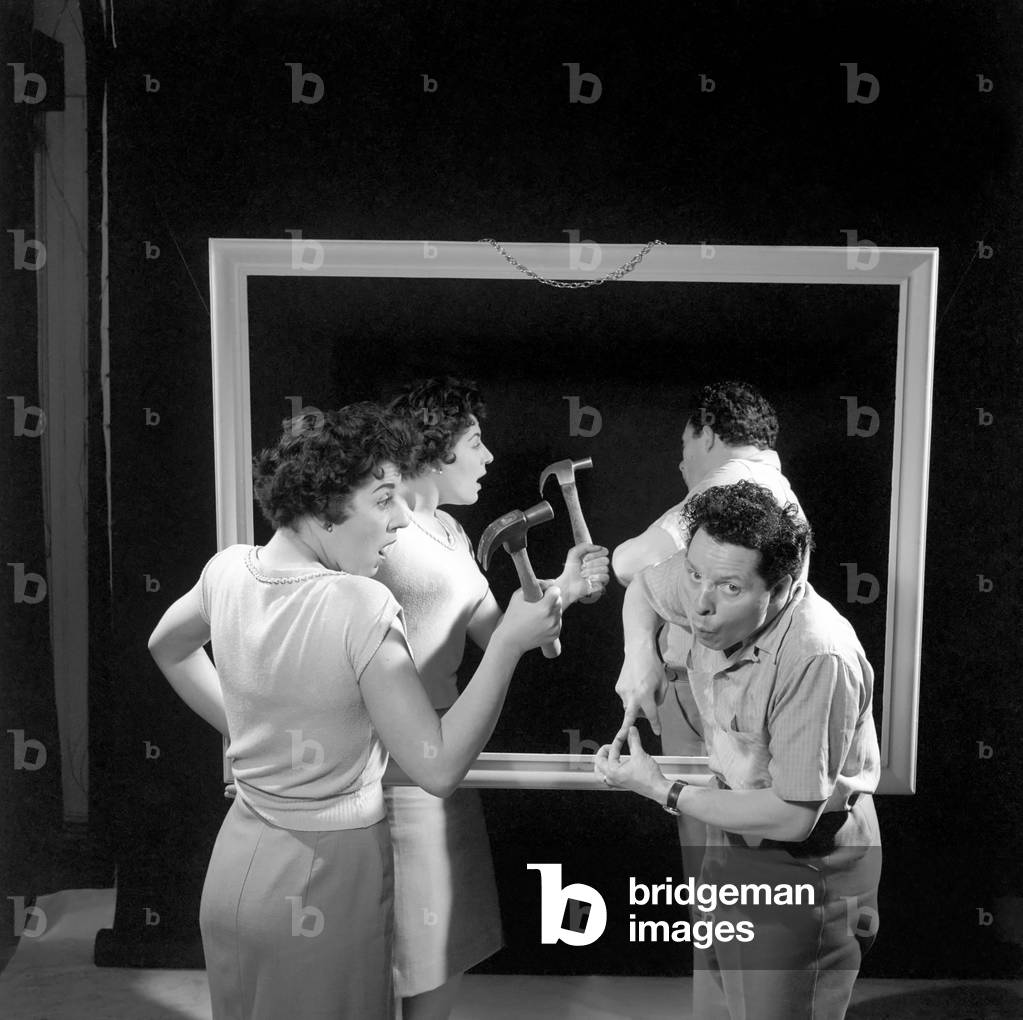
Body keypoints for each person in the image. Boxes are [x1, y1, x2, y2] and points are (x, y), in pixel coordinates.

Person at [147, 404, 562, 1020]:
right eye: (383, 500)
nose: (399, 521)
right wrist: (505, 645)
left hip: (235, 870)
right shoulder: (359, 603)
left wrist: (248, 732)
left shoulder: (228, 569)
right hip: (326, 879)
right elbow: (439, 768)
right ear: (324, 505)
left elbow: (167, 647)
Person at [597, 481, 881, 1020]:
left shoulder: (816, 656)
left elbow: (793, 815)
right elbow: (644, 588)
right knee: (718, 1008)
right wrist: (642, 656)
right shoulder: (706, 581)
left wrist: (663, 789)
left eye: (728, 588)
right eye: (695, 573)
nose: (699, 604)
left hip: (806, 863)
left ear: (780, 587)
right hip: (729, 835)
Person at [375, 377, 609, 1020]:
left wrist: (563, 583)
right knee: (404, 953)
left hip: (454, 744)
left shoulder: (450, 531)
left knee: (445, 949)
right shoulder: (378, 530)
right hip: (395, 758)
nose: (490, 457)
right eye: (475, 442)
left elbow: (502, 628)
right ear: (434, 447)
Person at [611, 381, 805, 872]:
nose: (683, 464)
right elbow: (651, 586)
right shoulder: (779, 491)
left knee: (719, 863)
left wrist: (615, 561)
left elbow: (632, 564)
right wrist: (640, 654)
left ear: (709, 433)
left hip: (715, 697)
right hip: (726, 687)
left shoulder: (726, 487)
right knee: (728, 863)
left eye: (686, 446)